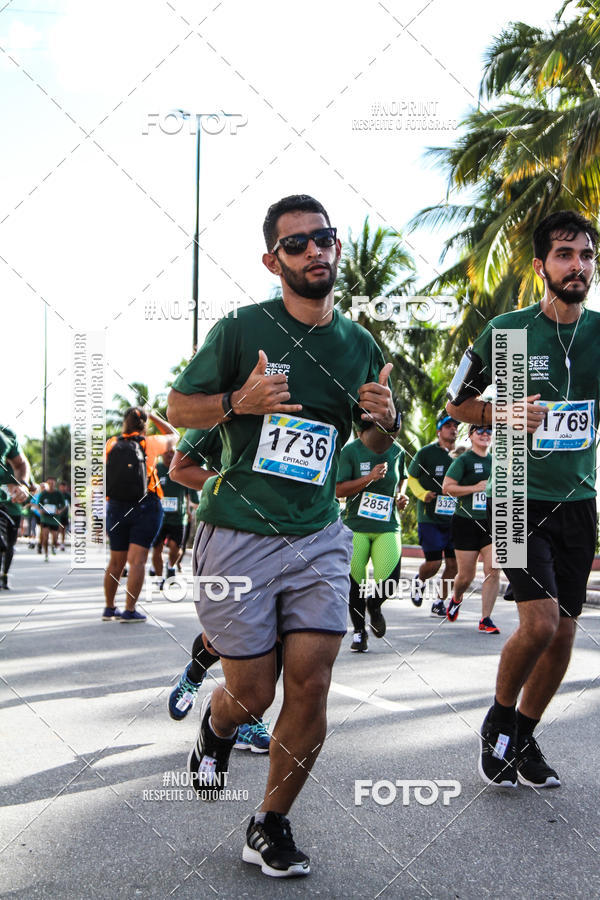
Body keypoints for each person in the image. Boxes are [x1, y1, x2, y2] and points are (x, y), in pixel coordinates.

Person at [167, 194, 399, 877]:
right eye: (295, 244)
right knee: (252, 692)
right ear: (273, 261)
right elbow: (179, 406)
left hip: (319, 533)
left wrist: (383, 416)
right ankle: (216, 727)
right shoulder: (242, 329)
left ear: (336, 247)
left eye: (322, 238)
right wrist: (241, 400)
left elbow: (370, 437)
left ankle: (270, 823)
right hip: (236, 532)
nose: (313, 251)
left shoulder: (358, 343)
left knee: (312, 682)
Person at [446, 209, 599, 789]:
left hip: (578, 497)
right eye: (565, 255)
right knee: (537, 625)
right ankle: (499, 719)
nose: (577, 265)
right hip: (514, 492)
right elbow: (457, 402)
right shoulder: (507, 333)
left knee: (562, 632)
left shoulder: (599, 333)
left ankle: (524, 735)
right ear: (541, 266)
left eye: (586, 255)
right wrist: (501, 411)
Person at [168, 427, 279, 754]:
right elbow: (179, 468)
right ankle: (195, 672)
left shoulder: (309, 400)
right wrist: (230, 487)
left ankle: (250, 717)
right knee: (222, 636)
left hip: (291, 532)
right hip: (231, 531)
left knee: (279, 631)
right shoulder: (228, 399)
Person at [336, 420, 407, 652]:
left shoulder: (396, 451)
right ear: (361, 431)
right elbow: (338, 489)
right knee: (355, 584)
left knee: (390, 580)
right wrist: (369, 478)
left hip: (387, 525)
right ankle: (359, 632)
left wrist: (401, 496)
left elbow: (402, 479)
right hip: (356, 525)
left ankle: (374, 606)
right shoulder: (350, 451)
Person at [103, 407, 178, 622]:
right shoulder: (150, 443)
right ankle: (129, 610)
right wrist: (154, 416)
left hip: (116, 506)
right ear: (144, 424)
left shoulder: (111, 443)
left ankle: (109, 608)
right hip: (145, 505)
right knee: (137, 562)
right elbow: (175, 435)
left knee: (116, 561)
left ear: (124, 423)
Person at [442, 424, 500, 633]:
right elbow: (447, 488)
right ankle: (456, 598)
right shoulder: (464, 461)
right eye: (480, 431)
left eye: (489, 431)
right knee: (466, 576)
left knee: (493, 569)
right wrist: (475, 488)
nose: (485, 434)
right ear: (470, 435)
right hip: (465, 522)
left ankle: (486, 619)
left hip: (492, 521)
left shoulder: (498, 461)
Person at [407, 415, 459, 616]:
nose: (452, 429)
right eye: (448, 426)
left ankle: (439, 602)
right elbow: (412, 478)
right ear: (439, 430)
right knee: (434, 563)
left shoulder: (461, 455)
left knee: (453, 565)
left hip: (455, 519)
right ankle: (419, 581)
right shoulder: (426, 454)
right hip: (430, 518)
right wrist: (422, 494)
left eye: (455, 426)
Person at [150, 447, 197, 588]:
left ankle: (171, 566)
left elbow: (191, 494)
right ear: (161, 453)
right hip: (158, 518)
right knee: (157, 549)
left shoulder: (181, 469)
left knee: (175, 548)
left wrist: (190, 511)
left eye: (172, 451)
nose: (170, 454)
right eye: (167, 451)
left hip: (178, 518)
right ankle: (159, 578)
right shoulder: (155, 470)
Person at [0, 425, 32, 588]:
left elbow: (21, 465)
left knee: (7, 545)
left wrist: (23, 486)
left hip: (10, 509)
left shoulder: (6, 435)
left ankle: (4, 576)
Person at [38, 477, 67, 561]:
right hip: (45, 518)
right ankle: (46, 554)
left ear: (55, 484)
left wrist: (59, 510)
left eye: (52, 483)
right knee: (45, 536)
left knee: (54, 537)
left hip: (55, 518)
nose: (51, 485)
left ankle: (54, 546)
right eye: (49, 483)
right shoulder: (43, 494)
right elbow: (39, 504)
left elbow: (64, 505)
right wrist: (41, 510)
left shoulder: (58, 494)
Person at [58, 481, 70, 551]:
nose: (63, 488)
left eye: (64, 487)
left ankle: (62, 543)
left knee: (63, 530)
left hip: (65, 515)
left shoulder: (67, 495)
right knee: (58, 529)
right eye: (61, 486)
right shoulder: (57, 494)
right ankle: (57, 542)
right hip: (57, 515)